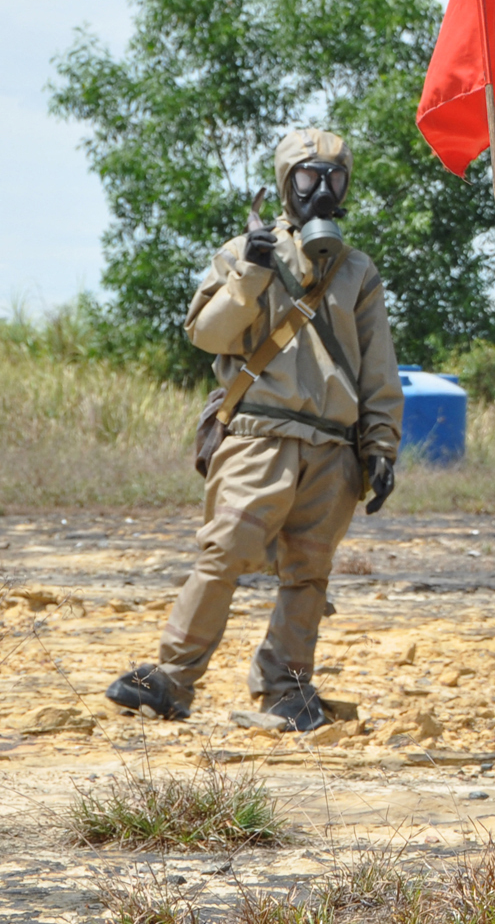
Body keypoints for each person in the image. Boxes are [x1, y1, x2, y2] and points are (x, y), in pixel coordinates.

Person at [105, 128, 401, 732]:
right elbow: (208, 336)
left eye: (334, 178)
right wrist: (249, 274)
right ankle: (170, 678)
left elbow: (379, 368)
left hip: (333, 448)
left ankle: (286, 687)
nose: (322, 189)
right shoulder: (243, 251)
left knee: (308, 571)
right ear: (286, 180)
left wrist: (382, 445)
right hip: (257, 433)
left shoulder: (357, 271)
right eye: (308, 177)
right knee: (223, 553)